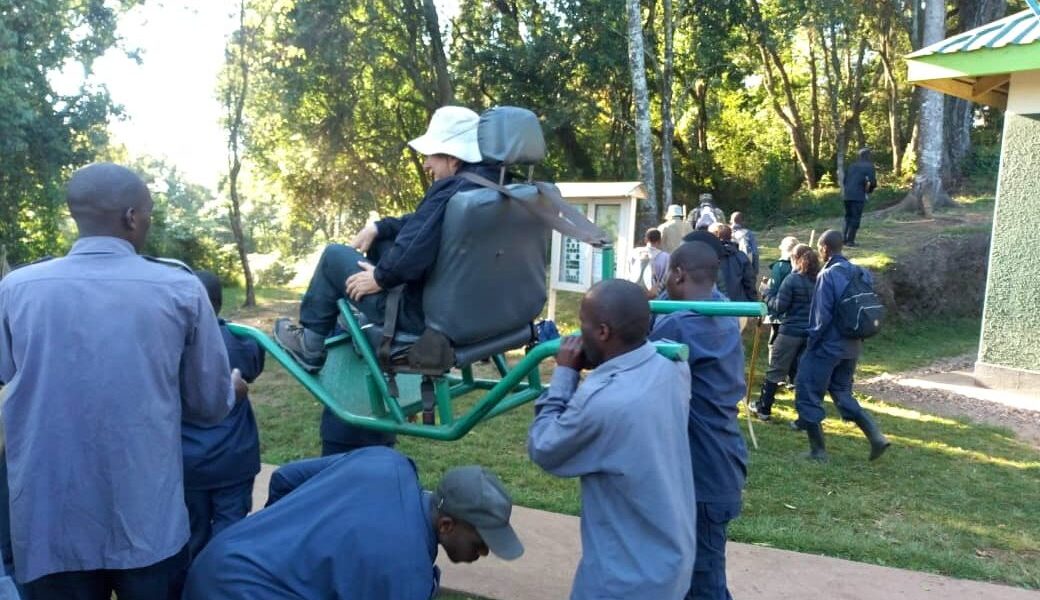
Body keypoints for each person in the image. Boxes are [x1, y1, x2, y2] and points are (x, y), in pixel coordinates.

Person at [0, 163, 243, 598]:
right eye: (147, 213)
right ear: (131, 217)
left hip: (49, 523)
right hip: (146, 523)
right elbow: (208, 406)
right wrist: (233, 389)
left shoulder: (16, 290)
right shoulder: (180, 289)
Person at [274, 106, 499, 371]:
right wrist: (380, 228)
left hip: (421, 316)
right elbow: (423, 224)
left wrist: (381, 277)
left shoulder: (453, 191)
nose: (426, 164)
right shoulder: (493, 188)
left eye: (430, 156)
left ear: (453, 157)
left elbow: (413, 249)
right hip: (469, 309)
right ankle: (362, 315)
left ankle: (309, 346)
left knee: (334, 256)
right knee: (381, 243)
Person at [527, 279, 696, 600]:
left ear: (603, 332)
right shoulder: (672, 369)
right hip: (671, 564)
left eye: (582, 325)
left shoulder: (603, 401)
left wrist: (565, 374)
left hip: (623, 581)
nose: (576, 335)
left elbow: (544, 446)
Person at [183, 447, 523, 599]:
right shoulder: (405, 574)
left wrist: (281, 535)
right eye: (481, 543)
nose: (484, 552)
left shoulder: (387, 462)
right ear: (447, 525)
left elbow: (285, 478)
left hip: (216, 560)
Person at [649, 241, 747, 600]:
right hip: (721, 461)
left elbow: (639, 381)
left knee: (703, 585)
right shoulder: (723, 308)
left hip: (702, 476)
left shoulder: (677, 327)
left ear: (678, 274)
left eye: (667, 278)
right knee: (696, 575)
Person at [182, 271, 266, 559]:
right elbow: (254, 366)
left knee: (192, 537)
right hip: (234, 460)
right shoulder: (242, 341)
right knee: (231, 536)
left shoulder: (168, 343)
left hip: (187, 462)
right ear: (219, 303)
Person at [792, 230, 890, 461]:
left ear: (824, 248)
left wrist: (811, 344)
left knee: (807, 391)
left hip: (828, 345)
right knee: (841, 391)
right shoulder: (861, 272)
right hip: (852, 345)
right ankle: (875, 436)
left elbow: (821, 316)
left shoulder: (828, 275)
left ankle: (818, 451)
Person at [754, 244, 819, 421]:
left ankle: (764, 408)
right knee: (802, 374)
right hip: (810, 333)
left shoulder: (792, 280)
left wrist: (766, 293)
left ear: (795, 259)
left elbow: (779, 306)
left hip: (790, 331)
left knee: (775, 370)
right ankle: (804, 415)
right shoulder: (820, 280)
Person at [708, 223, 758, 302]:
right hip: (739, 306)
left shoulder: (706, 257)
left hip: (714, 308)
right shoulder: (741, 256)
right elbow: (750, 284)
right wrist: (753, 304)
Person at [842, 148, 877, 247]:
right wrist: (869, 191)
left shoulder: (852, 166)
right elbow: (873, 182)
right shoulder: (869, 166)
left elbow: (845, 181)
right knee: (855, 218)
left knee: (847, 217)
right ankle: (850, 240)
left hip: (847, 195)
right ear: (867, 156)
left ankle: (843, 239)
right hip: (858, 195)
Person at [630, 228, 670, 295]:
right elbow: (666, 277)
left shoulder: (635, 252)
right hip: (653, 294)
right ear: (660, 241)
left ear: (646, 239)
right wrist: (657, 292)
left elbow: (630, 271)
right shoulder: (665, 257)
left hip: (634, 292)